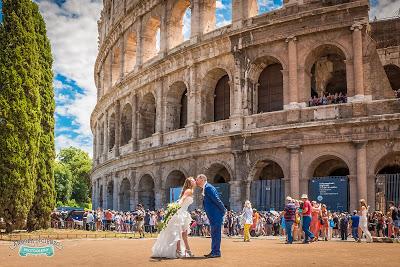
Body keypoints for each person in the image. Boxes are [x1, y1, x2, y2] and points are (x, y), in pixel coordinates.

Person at [152, 177, 196, 258]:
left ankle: (185, 250)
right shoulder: (188, 190)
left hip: (183, 213)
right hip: (180, 213)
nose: (195, 180)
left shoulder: (189, 190)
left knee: (183, 234)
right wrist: (176, 207)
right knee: (180, 233)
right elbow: (182, 199)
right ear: (190, 183)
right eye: (193, 180)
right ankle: (179, 251)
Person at [196, 174, 227, 258]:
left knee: (216, 233)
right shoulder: (206, 188)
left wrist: (224, 210)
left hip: (216, 214)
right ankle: (214, 251)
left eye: (197, 179)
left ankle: (216, 252)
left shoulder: (208, 188)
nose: (196, 181)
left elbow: (216, 199)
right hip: (213, 215)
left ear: (202, 179)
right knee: (214, 233)